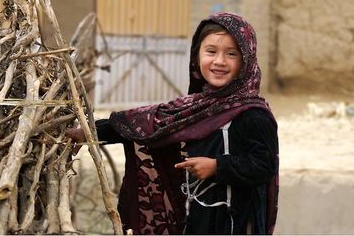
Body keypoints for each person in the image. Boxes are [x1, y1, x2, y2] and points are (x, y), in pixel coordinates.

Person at [66, 12, 279, 235]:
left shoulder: (253, 114)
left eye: (232, 54)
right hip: (199, 218)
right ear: (197, 55)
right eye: (211, 51)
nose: (219, 61)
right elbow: (145, 126)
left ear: (247, 60)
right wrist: (88, 133)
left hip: (236, 221)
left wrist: (217, 166)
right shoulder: (194, 107)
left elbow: (264, 164)